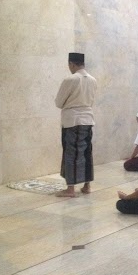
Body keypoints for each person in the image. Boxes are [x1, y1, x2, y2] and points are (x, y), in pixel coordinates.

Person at [55, 53, 97, 198]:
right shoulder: (93, 80)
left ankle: (70, 189)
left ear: (72, 64)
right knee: (86, 152)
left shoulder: (70, 79)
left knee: (71, 152)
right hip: (88, 120)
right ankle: (87, 186)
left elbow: (59, 103)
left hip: (72, 121)